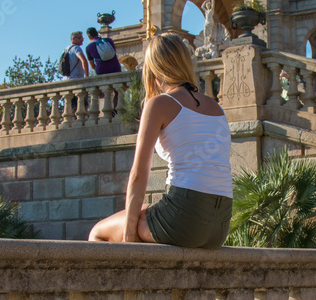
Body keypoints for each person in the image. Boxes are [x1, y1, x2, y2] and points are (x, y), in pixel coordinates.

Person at [88, 31, 232, 248]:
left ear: (153, 68)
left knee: (98, 232)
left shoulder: (159, 104)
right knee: (142, 208)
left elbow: (139, 173)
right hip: (219, 226)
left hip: (183, 220)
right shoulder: (216, 108)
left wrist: (128, 236)